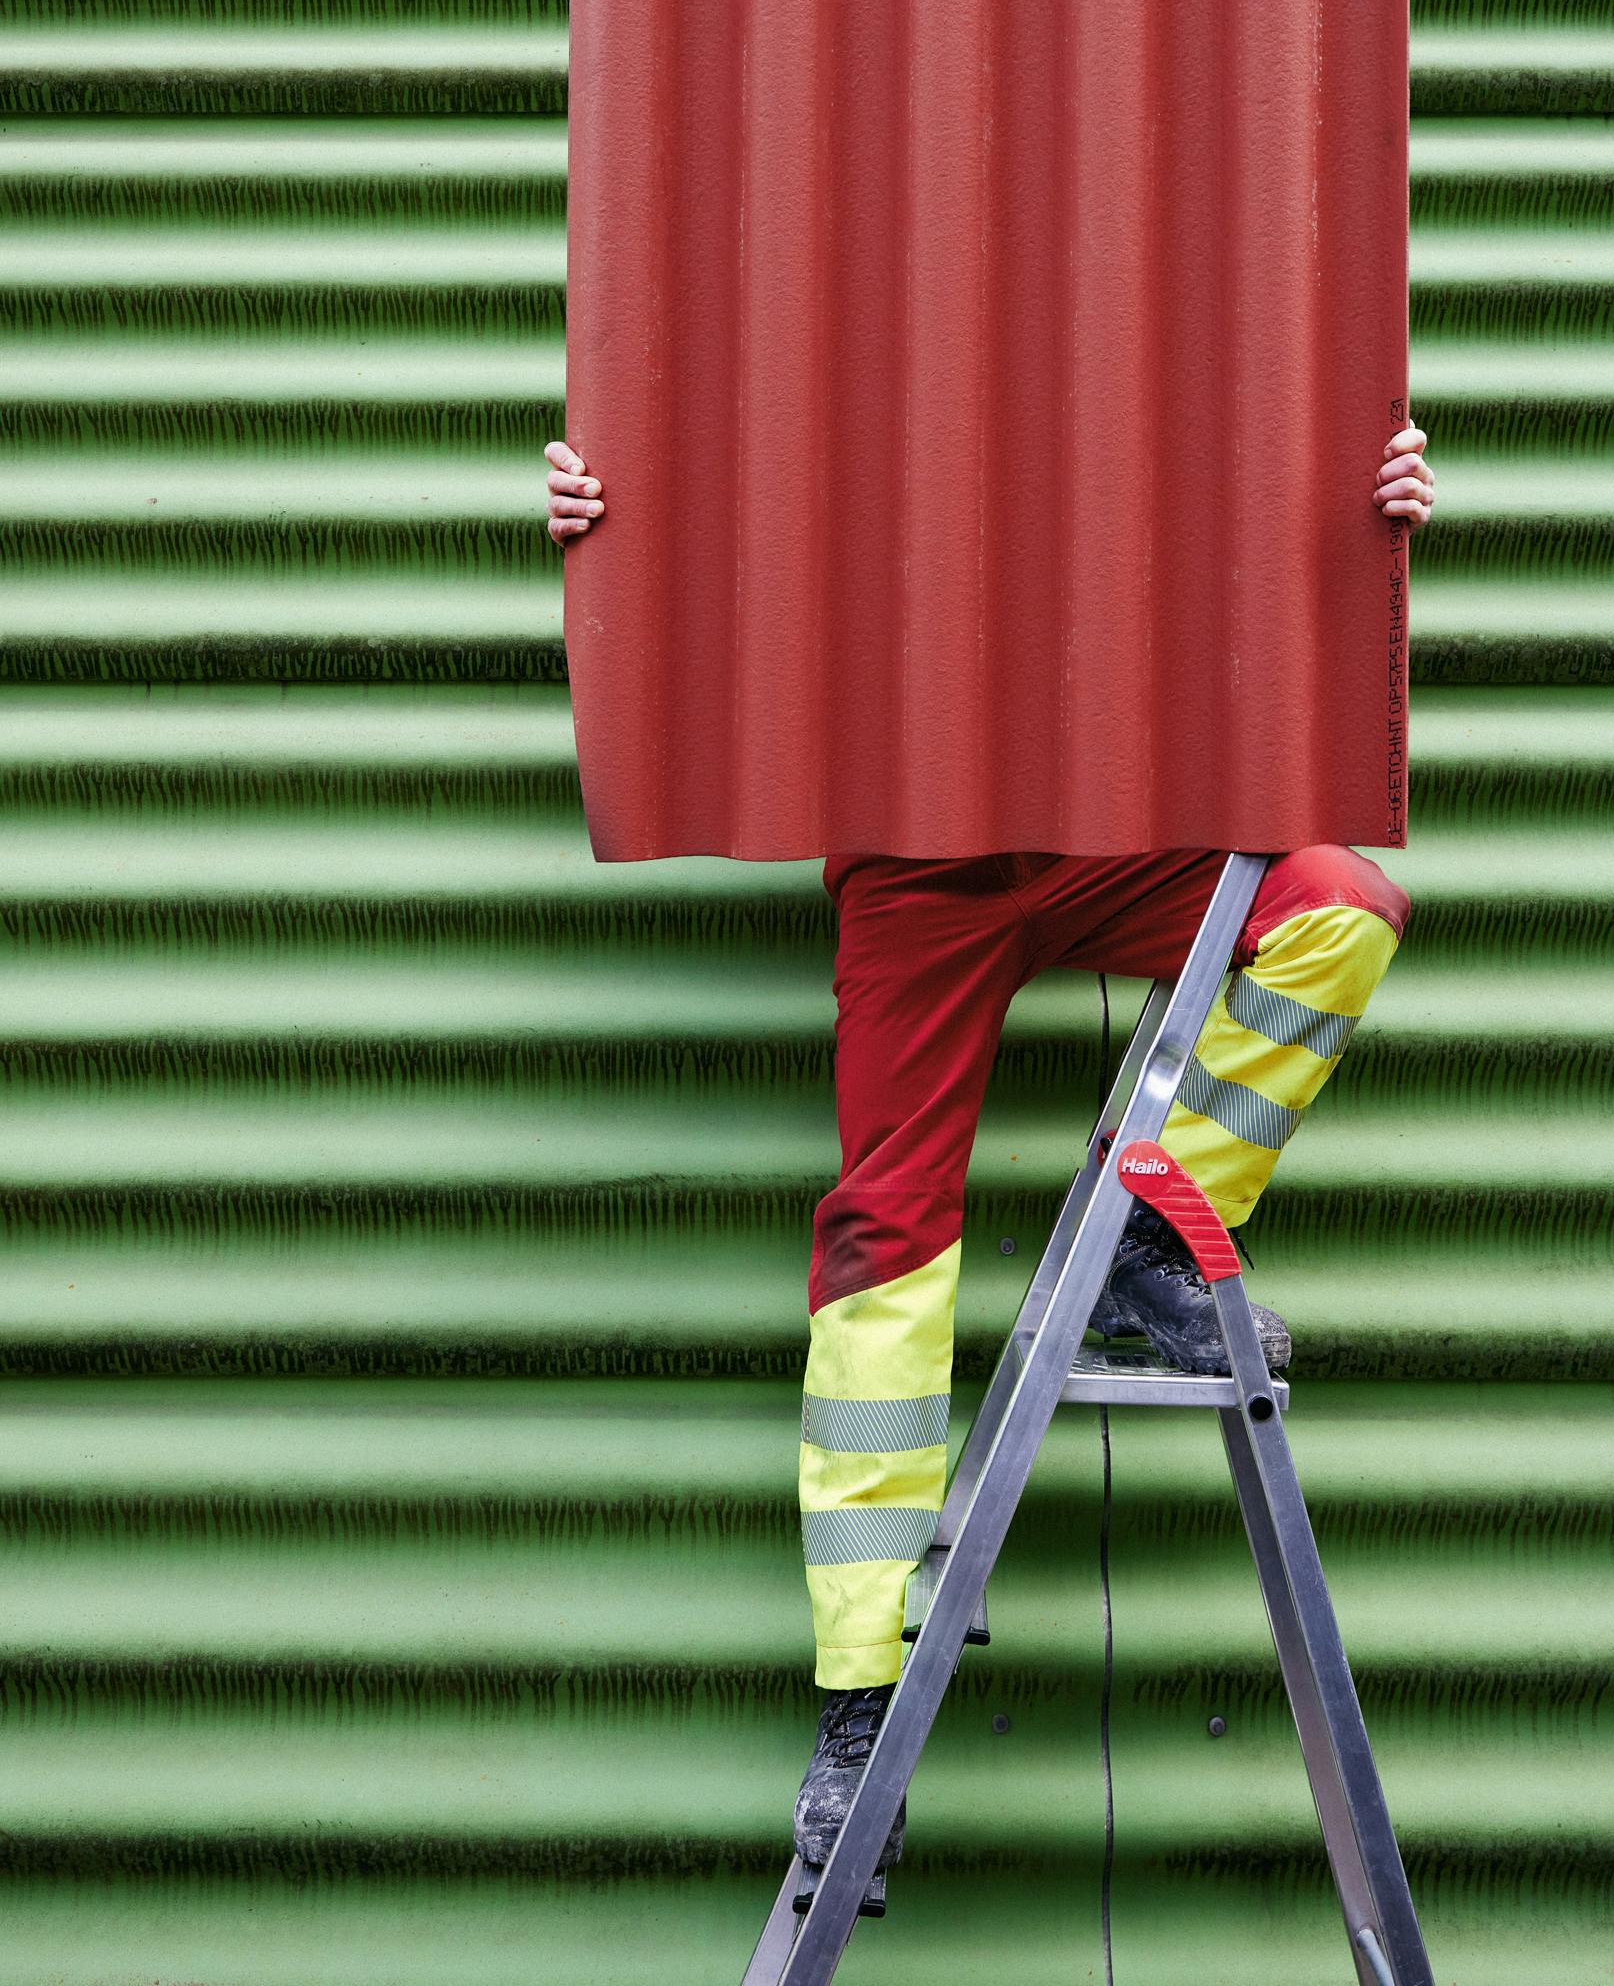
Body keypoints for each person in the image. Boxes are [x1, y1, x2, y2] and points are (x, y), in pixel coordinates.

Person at [545, 423, 1438, 1866]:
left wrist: (1363, 508)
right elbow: (707, 539)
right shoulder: (829, 384)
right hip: (913, 870)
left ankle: (1143, 1244)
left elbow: (1236, 517)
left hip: (1106, 827)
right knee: (881, 1238)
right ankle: (857, 1704)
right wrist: (612, 532)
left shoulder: (1123, 359)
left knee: (1337, 910)